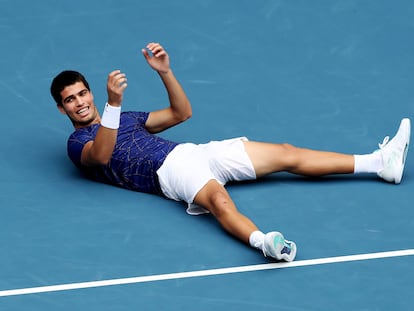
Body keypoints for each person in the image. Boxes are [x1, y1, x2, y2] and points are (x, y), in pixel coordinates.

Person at [51, 42, 411, 262]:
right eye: (70, 100)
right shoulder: (78, 144)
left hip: (196, 152)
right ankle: (266, 244)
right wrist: (113, 105)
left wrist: (165, 72)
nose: (79, 102)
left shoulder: (127, 118)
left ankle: (381, 163)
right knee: (220, 203)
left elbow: (181, 113)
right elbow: (101, 155)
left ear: (89, 93)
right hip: (168, 173)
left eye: (82, 94)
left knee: (286, 153)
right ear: (62, 109)